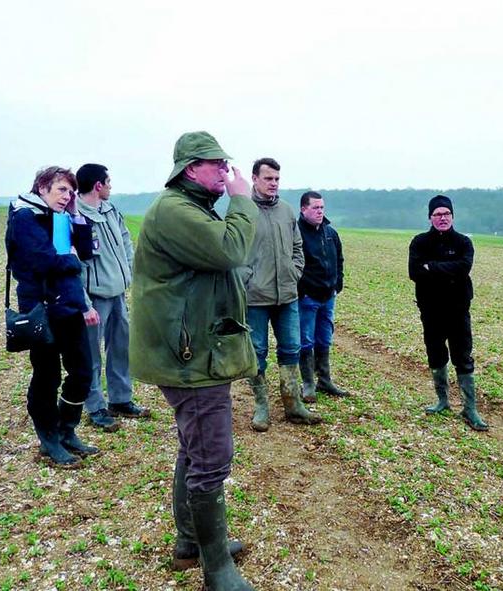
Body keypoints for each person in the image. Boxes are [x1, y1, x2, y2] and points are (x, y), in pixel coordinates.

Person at [130, 131, 257, 591]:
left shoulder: (189, 207)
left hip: (192, 348)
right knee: (211, 458)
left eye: (227, 165)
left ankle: (191, 542)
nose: (226, 171)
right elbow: (231, 250)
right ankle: (217, 570)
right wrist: (243, 202)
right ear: (191, 169)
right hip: (190, 356)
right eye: (217, 164)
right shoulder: (174, 210)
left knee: (193, 447)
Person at [5, 166, 99, 466]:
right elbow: (42, 261)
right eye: (61, 190)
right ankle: (48, 439)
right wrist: (69, 260)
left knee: (82, 371)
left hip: (68, 304)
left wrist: (76, 215)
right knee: (47, 376)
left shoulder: (62, 217)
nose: (67, 195)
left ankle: (66, 430)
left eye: (70, 191)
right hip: (40, 308)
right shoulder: (24, 217)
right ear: (42, 188)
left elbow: (84, 251)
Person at [241, 158, 321, 431]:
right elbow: (234, 251)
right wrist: (246, 280)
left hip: (287, 295)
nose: (274, 183)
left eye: (277, 179)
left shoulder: (286, 211)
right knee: (257, 351)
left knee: (291, 348)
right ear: (254, 178)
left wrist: (294, 272)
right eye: (268, 178)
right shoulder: (243, 211)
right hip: (256, 297)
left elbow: (298, 247)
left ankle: (292, 403)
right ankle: (261, 407)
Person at [77, 163, 149, 432]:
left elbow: (126, 242)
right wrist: (84, 304)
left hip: (118, 292)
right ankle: (95, 407)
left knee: (121, 347)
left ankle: (121, 399)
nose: (110, 186)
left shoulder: (110, 210)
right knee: (91, 354)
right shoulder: (76, 218)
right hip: (94, 299)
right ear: (98, 185)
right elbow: (76, 265)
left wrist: (129, 274)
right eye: (108, 182)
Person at [408, 194, 488, 431]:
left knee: (463, 355)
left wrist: (431, 267)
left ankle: (469, 408)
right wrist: (445, 270)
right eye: (437, 214)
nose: (442, 218)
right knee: (435, 352)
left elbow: (464, 268)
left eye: (446, 214)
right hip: (431, 309)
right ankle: (442, 400)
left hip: (458, 309)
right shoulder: (420, 242)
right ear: (430, 217)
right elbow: (414, 272)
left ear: (452, 216)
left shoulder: (463, 242)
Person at [296, 191, 347, 402]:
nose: (320, 212)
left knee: (324, 337)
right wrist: (302, 290)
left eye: (322, 207)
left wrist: (337, 284)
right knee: (305, 340)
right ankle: (308, 384)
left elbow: (339, 259)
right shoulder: (296, 232)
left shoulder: (330, 233)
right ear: (303, 209)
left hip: (328, 296)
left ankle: (324, 380)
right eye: (315, 208)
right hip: (307, 297)